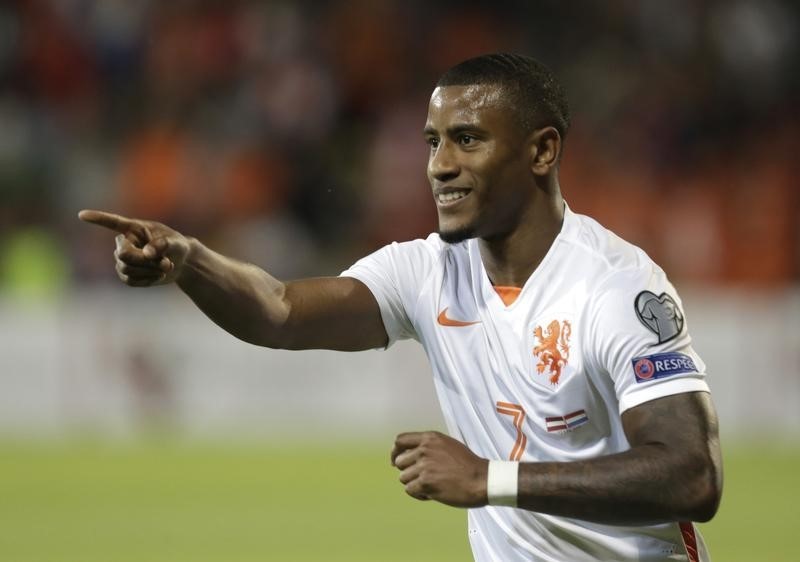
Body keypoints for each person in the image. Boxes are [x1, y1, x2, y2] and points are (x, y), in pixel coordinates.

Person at [80, 53, 722, 562]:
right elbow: (278, 310)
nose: (439, 166)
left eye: (466, 140)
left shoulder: (616, 289)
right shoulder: (426, 270)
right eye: (432, 142)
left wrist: (490, 480)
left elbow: (692, 475)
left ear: (541, 151)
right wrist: (190, 260)